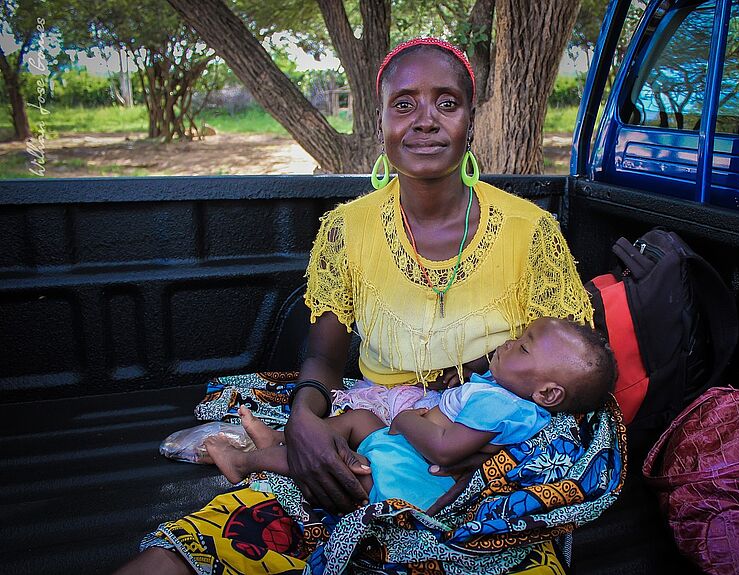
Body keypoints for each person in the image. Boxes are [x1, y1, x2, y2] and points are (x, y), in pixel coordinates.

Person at [120, 37, 596, 575]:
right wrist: (303, 418)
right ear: (381, 122)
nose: (424, 121)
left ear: (469, 121)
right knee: (224, 535)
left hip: (489, 450)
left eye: (446, 103)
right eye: (404, 104)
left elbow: (562, 365)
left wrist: (499, 451)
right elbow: (324, 356)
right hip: (379, 426)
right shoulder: (348, 229)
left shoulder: (530, 230)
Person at [204, 318, 616, 511]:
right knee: (359, 420)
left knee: (345, 462)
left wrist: (403, 421)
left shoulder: (500, 404)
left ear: (548, 392)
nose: (510, 342)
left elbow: (444, 452)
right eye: (520, 336)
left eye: (523, 348)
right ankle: (281, 440)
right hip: (409, 450)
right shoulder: (508, 396)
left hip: (409, 473)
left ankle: (245, 460)